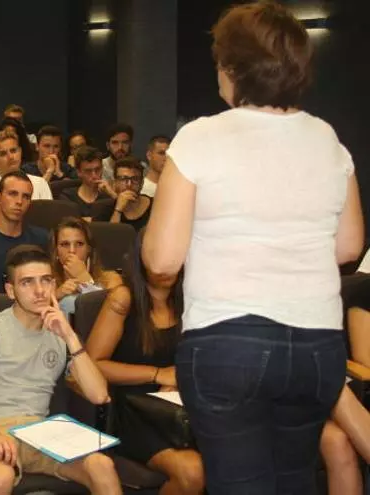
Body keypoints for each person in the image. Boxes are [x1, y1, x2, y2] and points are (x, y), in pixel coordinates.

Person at [141, 3, 364, 493]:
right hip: (316, 346)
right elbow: (349, 247)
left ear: (233, 67)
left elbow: (161, 262)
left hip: (230, 342)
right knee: (293, 481)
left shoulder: (200, 137)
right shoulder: (327, 138)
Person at [0, 245, 120, 495]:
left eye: (46, 280)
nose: (40, 290)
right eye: (27, 282)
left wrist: (70, 336)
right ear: (11, 290)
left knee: (102, 466)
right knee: (0, 477)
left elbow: (99, 395)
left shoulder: (60, 333)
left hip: (40, 432)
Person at [86, 233, 204, 494]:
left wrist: (180, 381)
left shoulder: (190, 298)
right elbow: (93, 363)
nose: (167, 266)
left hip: (181, 406)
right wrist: (158, 374)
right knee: (192, 472)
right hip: (133, 411)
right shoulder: (124, 298)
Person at [51, 217, 122, 315]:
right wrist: (54, 297)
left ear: (89, 249)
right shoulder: (47, 282)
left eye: (79, 244)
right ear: (56, 251)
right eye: (65, 244)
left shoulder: (111, 279)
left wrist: (84, 278)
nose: (72, 250)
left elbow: (111, 314)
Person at [0, 130, 53, 209]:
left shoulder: (40, 183)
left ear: (20, 152)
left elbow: (48, 216)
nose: (10, 157)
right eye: (3, 153)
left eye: (13, 151)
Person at [59, 146, 117, 221]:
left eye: (97, 169)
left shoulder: (109, 196)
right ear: (79, 172)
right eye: (88, 171)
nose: (94, 175)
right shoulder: (67, 196)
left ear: (102, 168)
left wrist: (112, 194)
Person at [111, 157, 152, 231]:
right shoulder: (104, 208)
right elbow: (110, 236)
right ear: (115, 183)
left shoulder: (155, 206)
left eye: (135, 179)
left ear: (141, 183)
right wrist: (118, 210)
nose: (129, 184)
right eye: (123, 179)